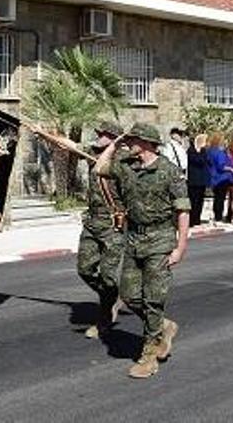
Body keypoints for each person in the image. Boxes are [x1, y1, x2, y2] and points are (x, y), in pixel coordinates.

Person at [95, 122, 190, 379]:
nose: (129, 142)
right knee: (128, 293)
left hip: (160, 240)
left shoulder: (169, 172)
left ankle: (149, 356)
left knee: (153, 298)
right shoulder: (127, 167)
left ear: (147, 142)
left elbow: (183, 211)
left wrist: (180, 247)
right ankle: (162, 326)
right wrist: (116, 142)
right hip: (134, 238)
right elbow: (99, 167)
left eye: (133, 138)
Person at [75, 121, 128, 339]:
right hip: (92, 222)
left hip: (112, 224)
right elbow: (69, 145)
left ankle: (104, 317)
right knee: (85, 269)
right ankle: (112, 297)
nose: (98, 135)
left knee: (108, 276)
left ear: (114, 138)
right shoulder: (93, 154)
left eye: (103, 133)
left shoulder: (124, 160)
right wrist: (40, 131)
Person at [207, 132, 233, 223]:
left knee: (217, 198)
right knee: (221, 198)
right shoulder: (219, 152)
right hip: (222, 178)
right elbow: (222, 166)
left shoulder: (209, 151)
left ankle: (216, 215)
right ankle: (219, 217)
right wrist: (232, 170)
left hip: (213, 177)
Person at [186, 133, 210, 227]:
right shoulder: (191, 151)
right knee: (193, 201)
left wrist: (201, 151)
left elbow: (205, 160)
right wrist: (199, 152)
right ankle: (191, 220)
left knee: (200, 201)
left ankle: (197, 219)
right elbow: (198, 161)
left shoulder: (204, 151)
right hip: (193, 180)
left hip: (201, 180)